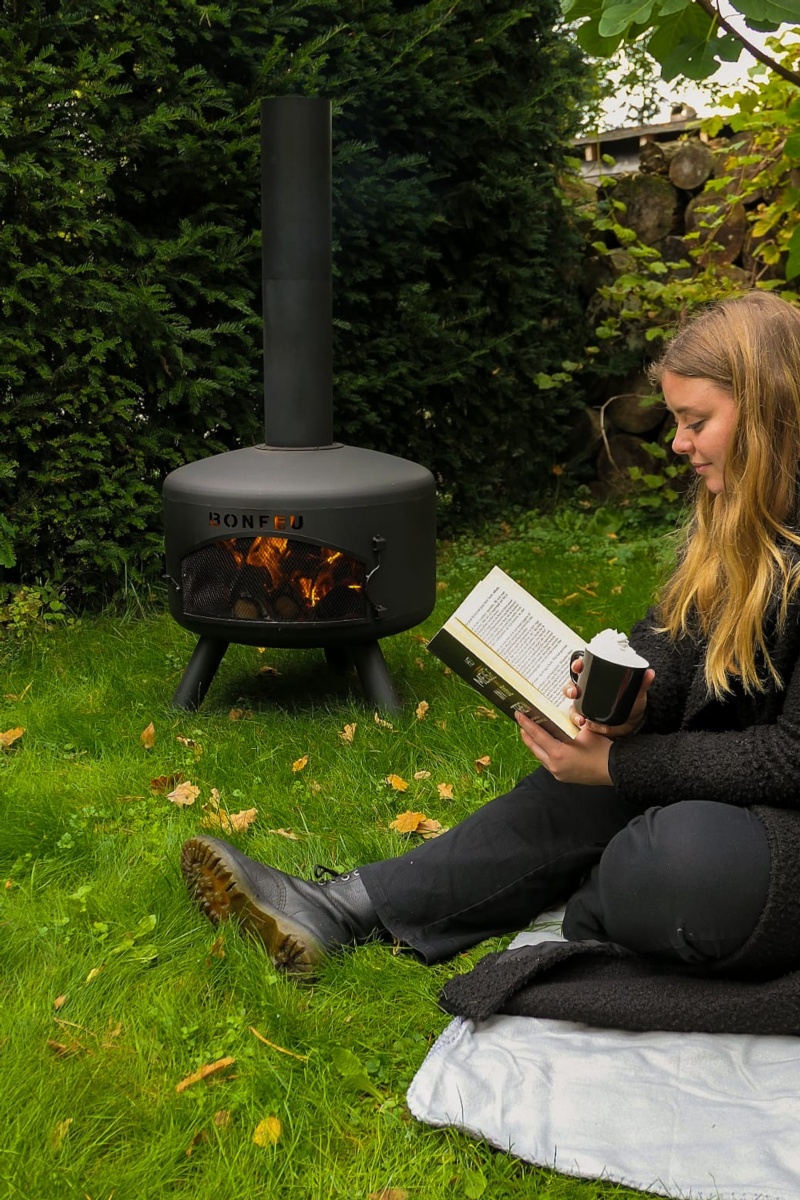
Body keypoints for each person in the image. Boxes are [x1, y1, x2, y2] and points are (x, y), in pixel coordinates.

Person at [181, 290, 800, 979]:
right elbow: (670, 642)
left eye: (696, 422)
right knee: (578, 787)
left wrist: (623, 767)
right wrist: (622, 701)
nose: (680, 444)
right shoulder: (735, 518)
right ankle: (340, 906)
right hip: (731, 800)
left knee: (667, 859)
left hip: (778, 821)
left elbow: (790, 760)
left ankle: (607, 890)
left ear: (768, 412)